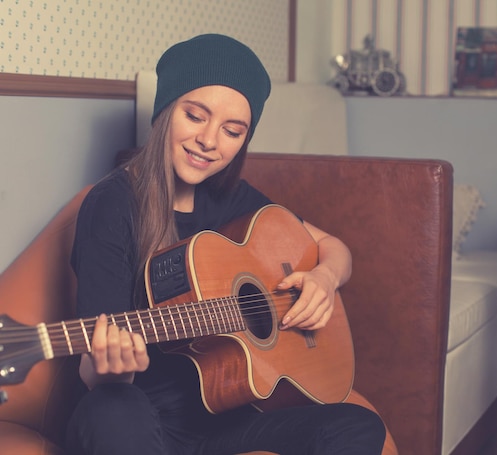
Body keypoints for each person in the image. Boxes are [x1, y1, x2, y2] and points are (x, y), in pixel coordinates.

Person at [65, 34, 386, 455]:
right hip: (140, 417)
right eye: (195, 116)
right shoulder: (112, 204)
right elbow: (93, 368)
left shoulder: (234, 202)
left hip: (229, 417)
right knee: (112, 409)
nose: (210, 141)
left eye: (232, 131)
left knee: (358, 426)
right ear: (165, 110)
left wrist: (324, 279)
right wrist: (112, 369)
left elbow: (336, 249)